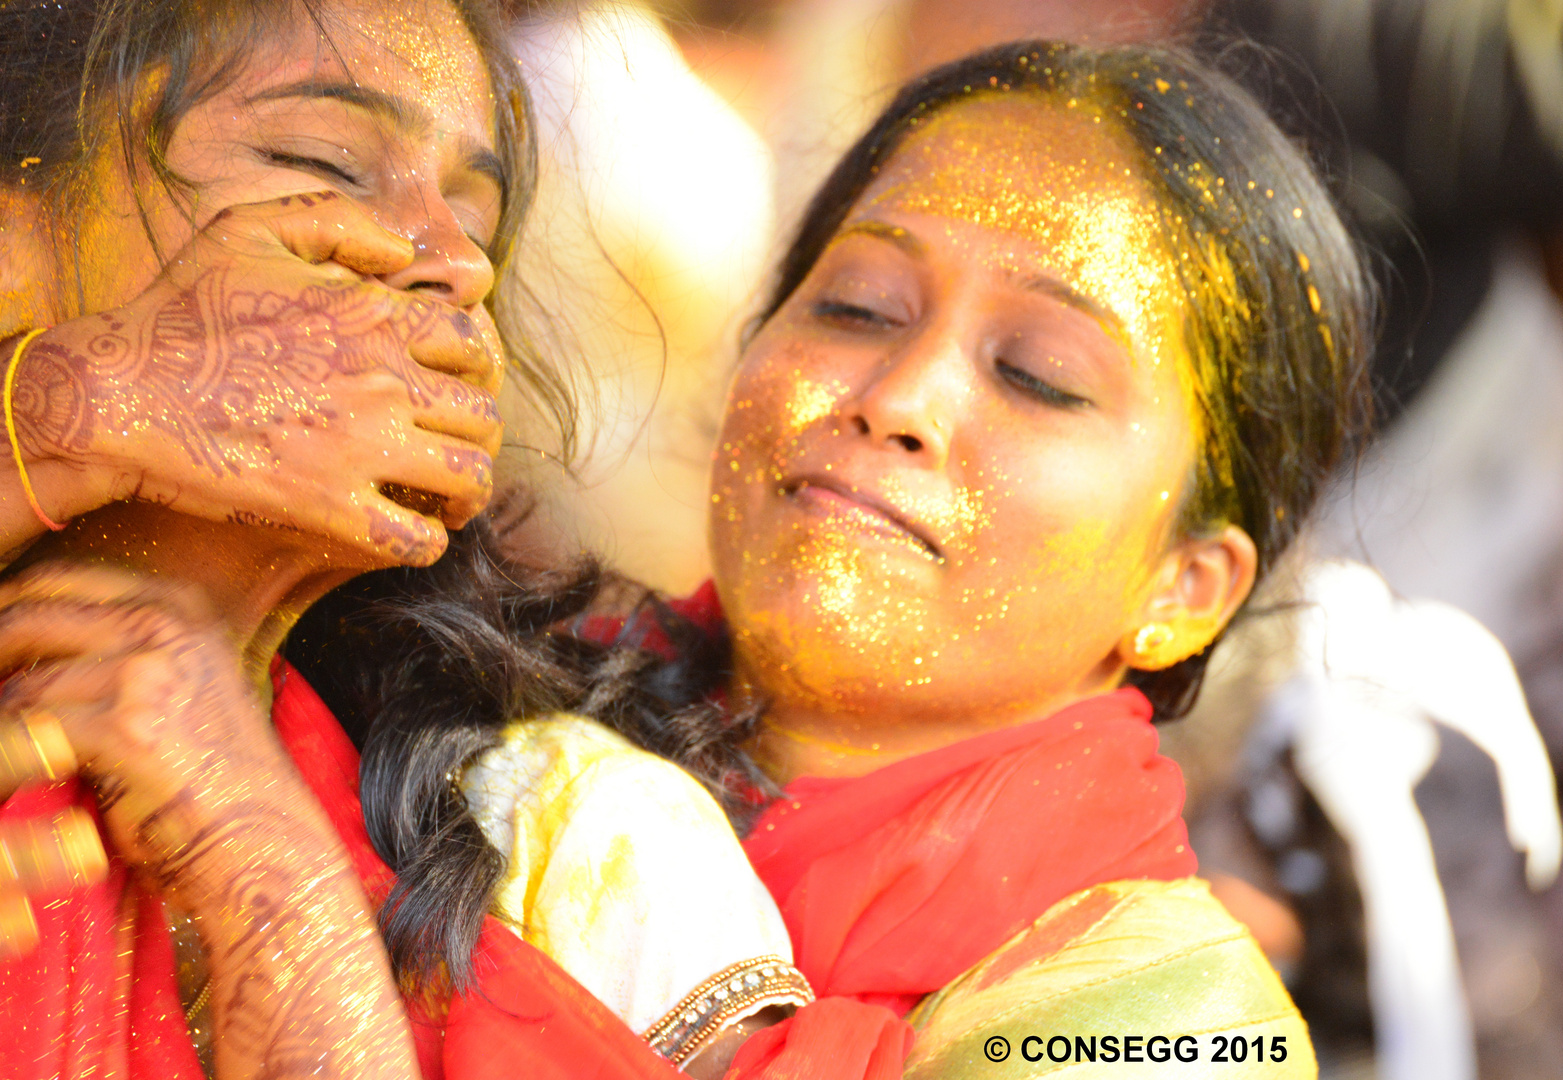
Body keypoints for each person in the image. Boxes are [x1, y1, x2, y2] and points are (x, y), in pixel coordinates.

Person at [302, 37, 1370, 1079]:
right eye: (855, 308)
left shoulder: (1178, 1026)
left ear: (1184, 588)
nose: (897, 399)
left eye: (1037, 373)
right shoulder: (458, 715)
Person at [0, 2, 796, 1078]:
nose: (454, 265)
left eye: (477, 216)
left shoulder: (560, 841)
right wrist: (75, 407)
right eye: (321, 161)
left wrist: (272, 884)